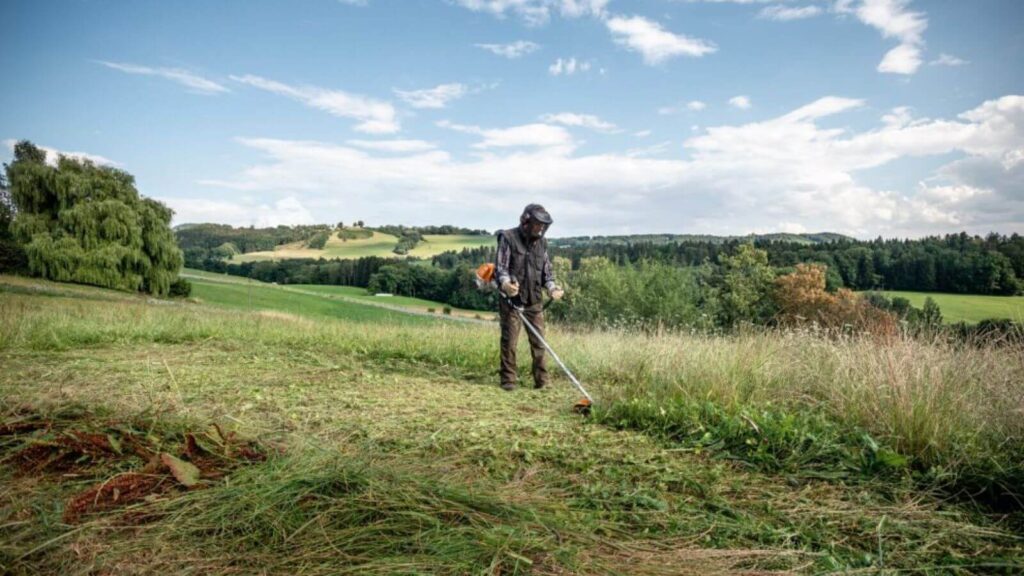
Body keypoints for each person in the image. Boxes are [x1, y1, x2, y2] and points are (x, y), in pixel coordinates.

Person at [494, 204, 564, 391]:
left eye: (543, 225)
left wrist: (552, 288)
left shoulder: (542, 243)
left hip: (534, 301)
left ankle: (542, 381)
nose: (541, 228)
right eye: (537, 224)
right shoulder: (508, 238)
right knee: (510, 341)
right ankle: (508, 380)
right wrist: (506, 285)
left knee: (539, 342)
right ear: (526, 222)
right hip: (512, 300)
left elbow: (546, 273)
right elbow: (501, 268)